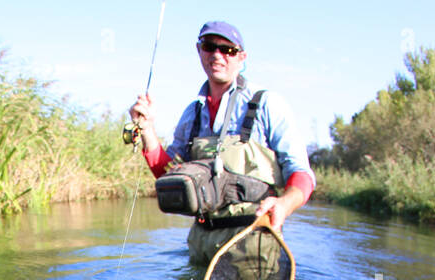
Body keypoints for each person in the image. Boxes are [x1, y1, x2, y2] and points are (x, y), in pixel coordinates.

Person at [129, 20, 315, 266]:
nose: (217, 55)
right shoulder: (191, 113)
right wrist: (148, 130)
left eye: (228, 50)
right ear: (199, 51)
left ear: (242, 57)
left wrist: (285, 204)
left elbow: (302, 173)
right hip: (201, 241)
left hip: (252, 240)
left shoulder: (268, 104)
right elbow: (169, 176)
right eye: (209, 46)